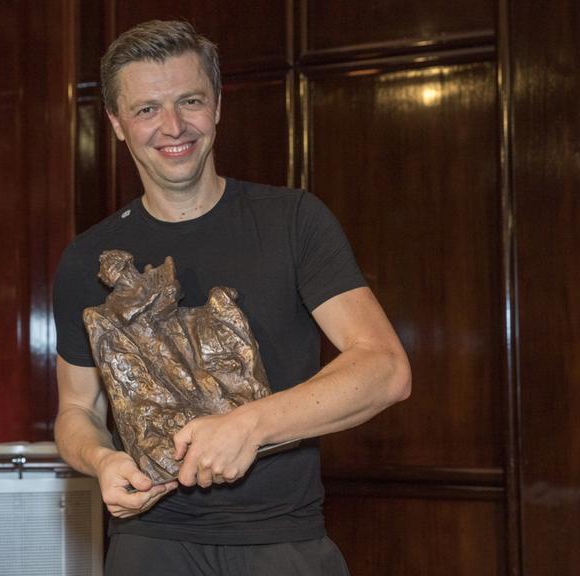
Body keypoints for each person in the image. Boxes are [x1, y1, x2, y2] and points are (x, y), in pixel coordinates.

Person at [52, 19, 411, 576]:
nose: (173, 126)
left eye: (190, 101)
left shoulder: (294, 222)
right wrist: (100, 460)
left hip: (282, 540)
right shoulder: (86, 258)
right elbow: (77, 410)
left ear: (217, 106)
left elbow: (385, 369)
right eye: (147, 109)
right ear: (117, 123)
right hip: (149, 542)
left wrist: (250, 425)